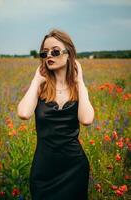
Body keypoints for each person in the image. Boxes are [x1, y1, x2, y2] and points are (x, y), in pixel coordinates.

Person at [17, 29, 95, 200]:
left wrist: (80, 82)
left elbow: (87, 119)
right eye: (44, 53)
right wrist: (36, 80)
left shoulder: (78, 89)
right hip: (44, 170)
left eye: (55, 51)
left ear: (69, 54)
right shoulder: (40, 88)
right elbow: (23, 113)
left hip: (74, 168)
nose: (49, 56)